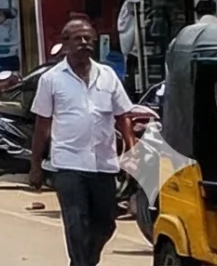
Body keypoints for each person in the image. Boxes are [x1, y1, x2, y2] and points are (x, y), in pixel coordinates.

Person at [32, 16, 153, 266]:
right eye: (78, 38)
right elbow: (42, 124)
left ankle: (84, 262)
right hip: (69, 165)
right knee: (76, 224)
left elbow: (123, 116)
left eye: (89, 39)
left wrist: (132, 152)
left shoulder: (107, 75)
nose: (85, 43)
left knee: (106, 223)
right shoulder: (52, 79)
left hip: (103, 164)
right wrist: (35, 166)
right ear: (65, 43)